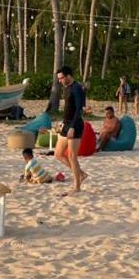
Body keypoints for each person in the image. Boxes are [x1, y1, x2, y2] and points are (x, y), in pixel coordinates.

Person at [54, 65, 88, 194]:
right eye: (58, 78)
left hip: (76, 125)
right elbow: (69, 108)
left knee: (72, 156)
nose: (60, 80)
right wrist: (63, 123)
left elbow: (79, 109)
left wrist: (73, 126)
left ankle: (77, 186)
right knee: (58, 154)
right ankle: (81, 174)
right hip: (67, 124)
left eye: (61, 78)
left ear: (68, 76)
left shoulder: (77, 88)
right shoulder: (66, 88)